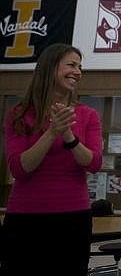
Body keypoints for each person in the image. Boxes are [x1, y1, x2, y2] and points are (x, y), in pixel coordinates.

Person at [0, 43, 103, 275]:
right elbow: (19, 169)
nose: (78, 71)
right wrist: (52, 132)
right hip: (25, 218)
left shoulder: (88, 115)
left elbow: (94, 163)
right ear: (49, 68)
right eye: (71, 65)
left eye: (80, 66)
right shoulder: (18, 114)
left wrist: (68, 135)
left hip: (74, 216)